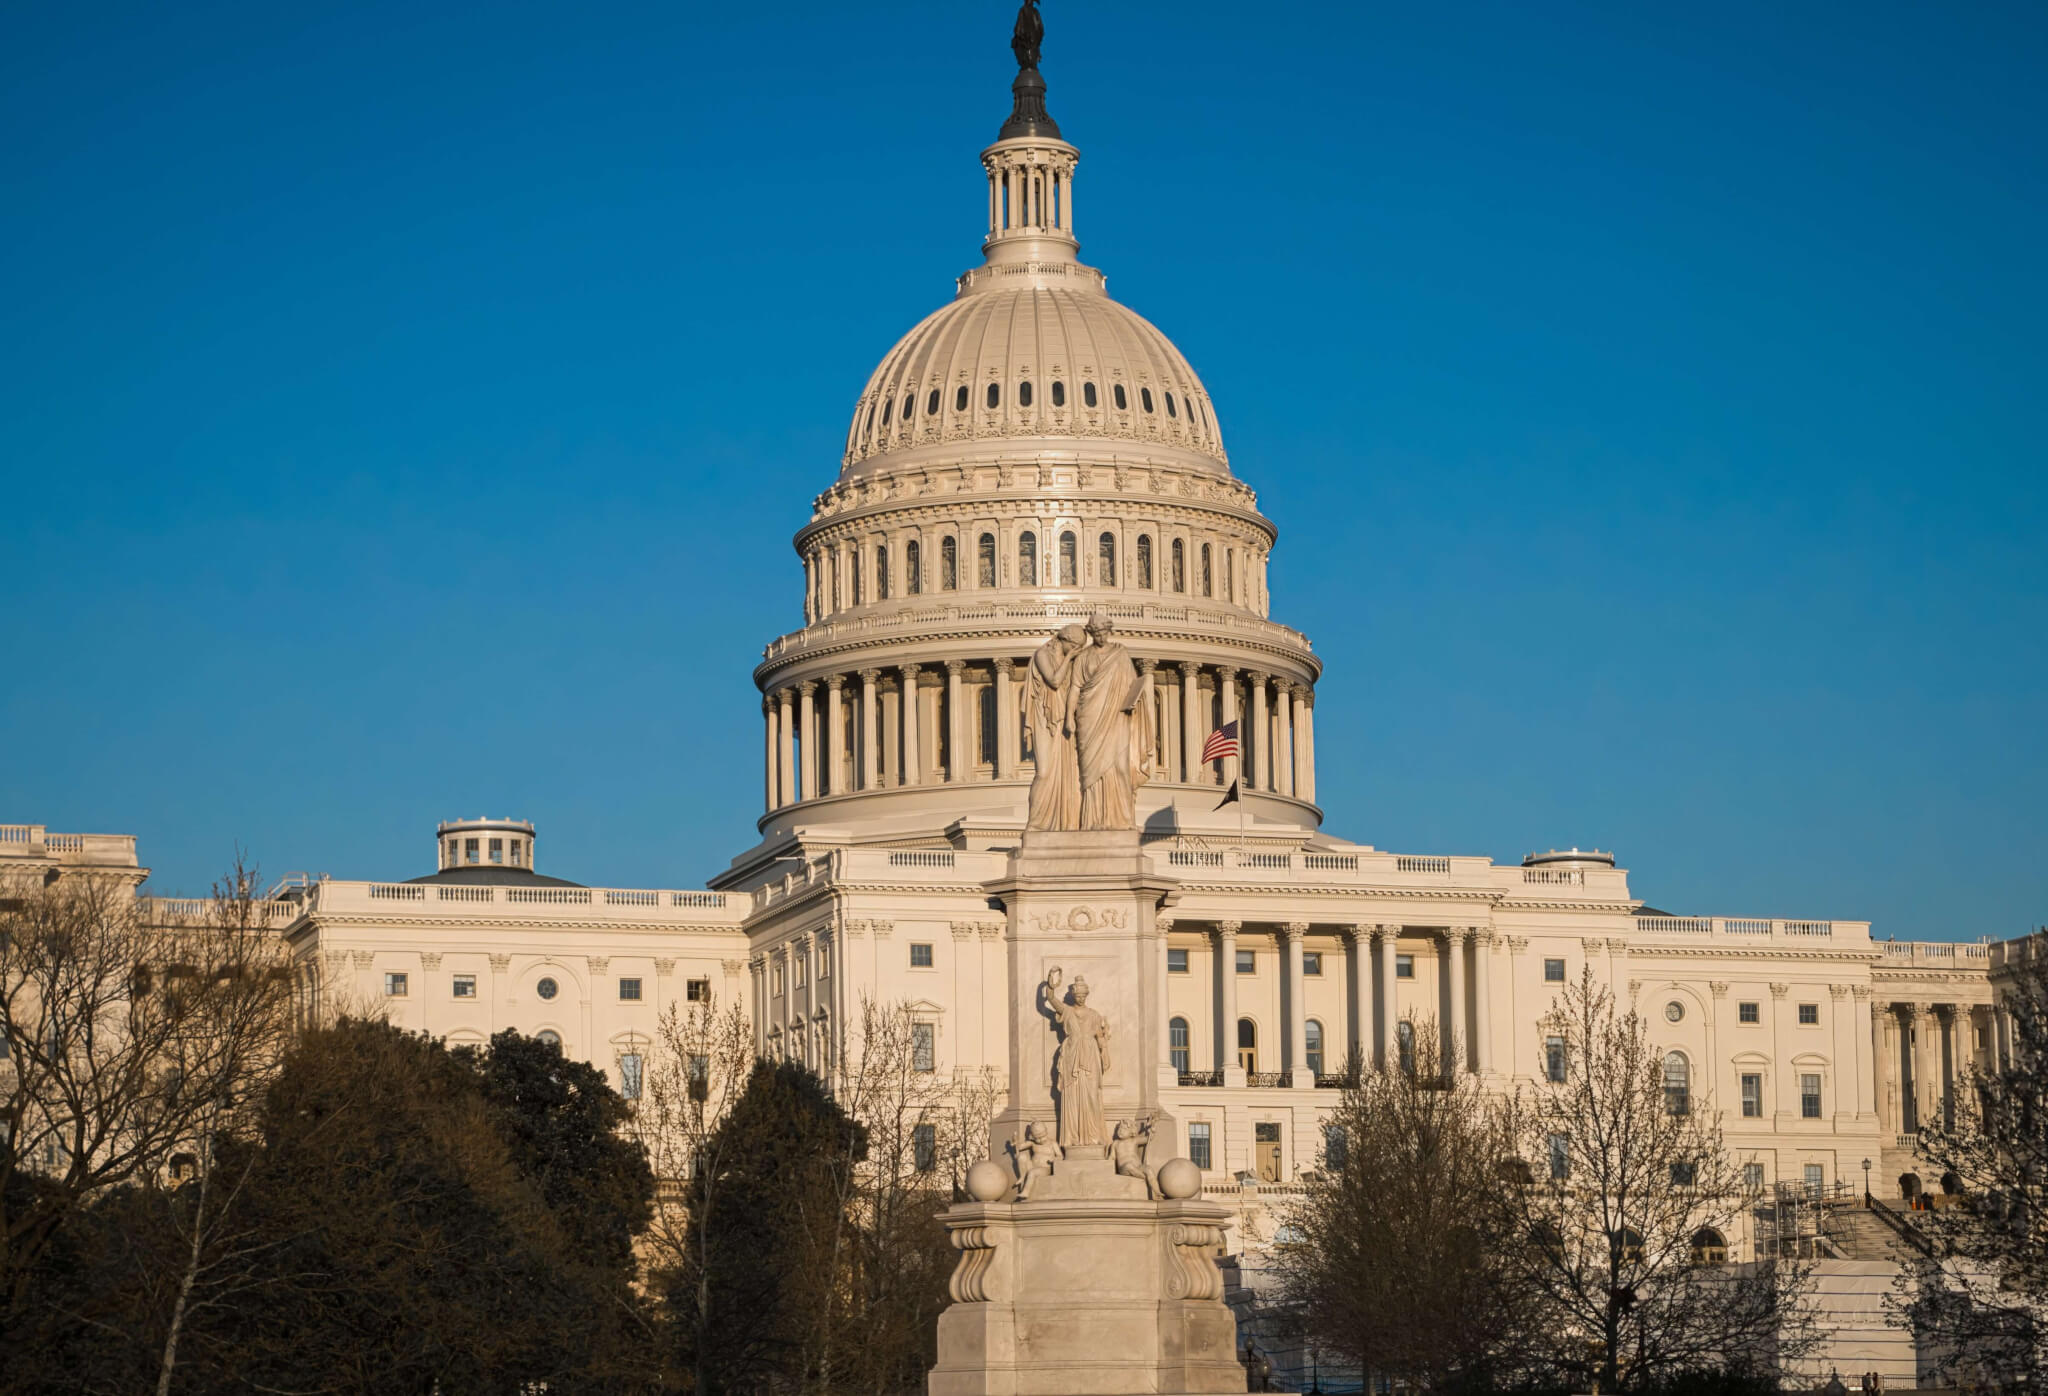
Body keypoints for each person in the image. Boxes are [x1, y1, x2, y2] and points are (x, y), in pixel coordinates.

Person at [1071, 611, 1149, 830]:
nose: (1101, 637)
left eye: (1104, 632)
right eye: (1096, 633)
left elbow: (1132, 685)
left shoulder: (1120, 654)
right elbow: (1075, 688)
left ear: (1109, 631)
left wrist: (1135, 701)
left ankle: (1120, 819)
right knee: (1092, 775)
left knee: (1119, 768)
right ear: (1091, 633)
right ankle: (1093, 820)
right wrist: (1069, 717)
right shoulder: (1083, 658)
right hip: (1089, 718)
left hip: (1117, 718)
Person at [1024, 625, 1086, 830]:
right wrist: (1069, 659)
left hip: (1064, 722)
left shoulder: (1074, 660)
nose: (1077, 651)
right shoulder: (1043, 653)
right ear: (1066, 640)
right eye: (1076, 646)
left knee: (1069, 774)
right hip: (1045, 717)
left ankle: (1067, 822)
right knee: (1043, 772)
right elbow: (1054, 680)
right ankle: (1036, 823)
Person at [1042, 966, 1110, 1148]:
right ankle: (1072, 1138)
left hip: (1090, 1054)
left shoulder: (1094, 1015)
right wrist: (1050, 984)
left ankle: (1093, 1137)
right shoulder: (1067, 1011)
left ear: (1086, 995)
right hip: (1072, 1054)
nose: (1080, 998)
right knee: (1071, 1098)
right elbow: (1049, 999)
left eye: (1083, 996)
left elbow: (1100, 1036)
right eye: (1077, 996)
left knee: (1092, 1096)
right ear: (1073, 996)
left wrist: (1104, 1053)